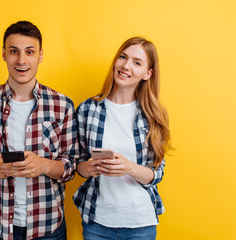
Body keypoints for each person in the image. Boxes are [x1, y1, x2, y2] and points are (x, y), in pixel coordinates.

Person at [0, 21, 78, 240]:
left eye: (30, 52)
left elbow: (71, 165)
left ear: (40, 55)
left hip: (47, 227)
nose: (22, 60)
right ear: (4, 54)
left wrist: (43, 165)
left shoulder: (62, 105)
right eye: (14, 51)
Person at [73, 37, 171, 240]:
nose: (126, 66)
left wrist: (129, 168)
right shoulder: (88, 109)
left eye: (137, 62)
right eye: (123, 57)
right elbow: (77, 163)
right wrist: (88, 167)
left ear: (148, 74)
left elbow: (157, 173)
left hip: (140, 224)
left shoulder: (153, 115)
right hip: (97, 222)